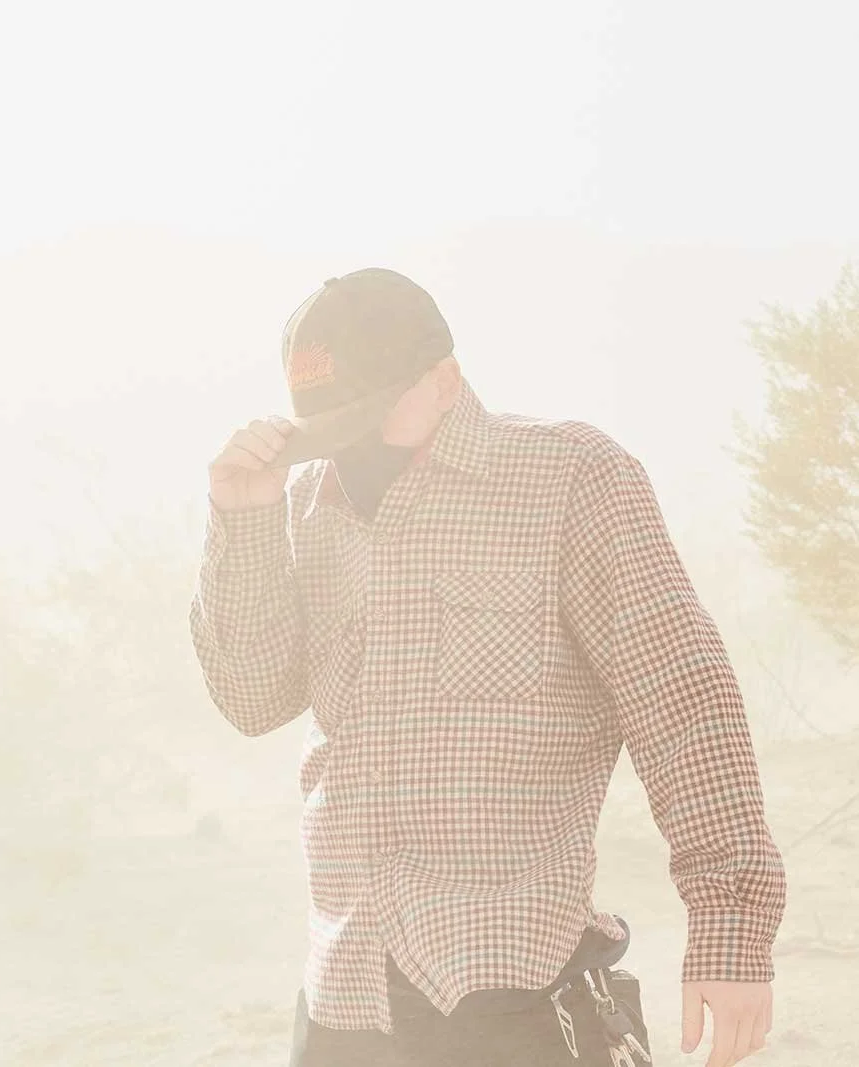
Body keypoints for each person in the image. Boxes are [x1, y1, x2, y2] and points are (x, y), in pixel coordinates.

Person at [188, 268, 786, 1067]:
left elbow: (682, 700)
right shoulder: (304, 504)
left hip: (516, 1000)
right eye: (332, 430)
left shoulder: (570, 477)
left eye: (368, 418)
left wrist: (730, 934)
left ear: (445, 378)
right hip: (345, 999)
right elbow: (253, 698)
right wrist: (245, 522)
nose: (351, 450)